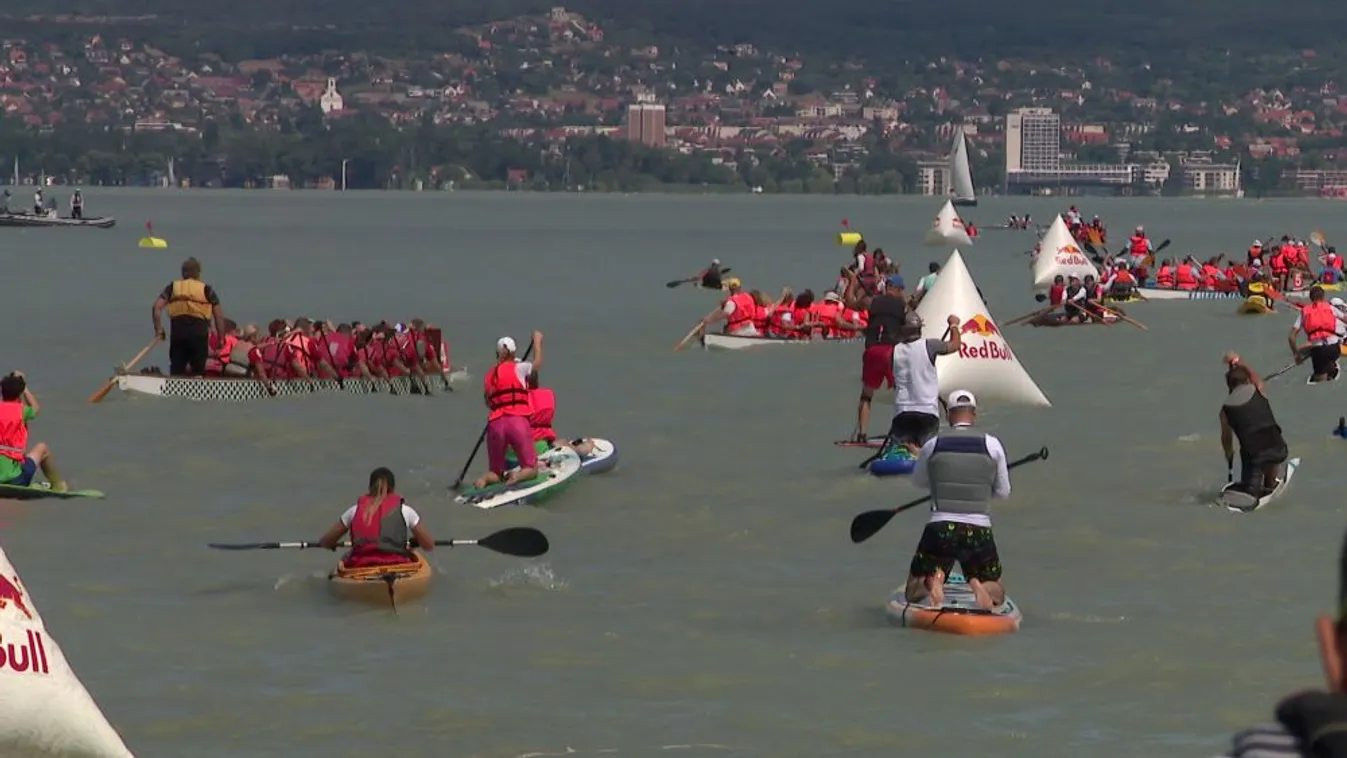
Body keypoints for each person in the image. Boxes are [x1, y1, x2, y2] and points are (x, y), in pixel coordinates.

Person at [905, 389, 1011, 611]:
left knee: (912, 592)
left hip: (941, 526)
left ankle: (934, 580)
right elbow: (1003, 492)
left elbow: (918, 482)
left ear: (948, 415)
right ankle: (976, 582)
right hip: (979, 528)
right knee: (998, 592)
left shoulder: (932, 445)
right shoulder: (992, 445)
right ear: (974, 414)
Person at [318, 468, 433, 568]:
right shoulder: (405, 510)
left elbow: (325, 542)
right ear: (393, 489)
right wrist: (415, 541)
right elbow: (428, 545)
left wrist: (332, 544)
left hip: (361, 566)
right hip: (396, 564)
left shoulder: (354, 511)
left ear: (369, 488)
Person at [473, 332, 544, 490]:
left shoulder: (489, 375)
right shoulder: (520, 367)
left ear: (498, 353)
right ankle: (517, 476)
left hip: (495, 424)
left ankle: (483, 480)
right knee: (531, 468)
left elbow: (488, 402)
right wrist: (537, 342)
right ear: (513, 353)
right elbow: (537, 364)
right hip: (517, 421)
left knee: (495, 473)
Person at [889, 312, 962, 453]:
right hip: (927, 411)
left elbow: (895, 383)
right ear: (919, 329)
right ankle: (919, 451)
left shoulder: (893, 351)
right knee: (927, 449)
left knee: (904, 446)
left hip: (902, 411)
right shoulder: (931, 345)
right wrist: (953, 325)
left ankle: (908, 446)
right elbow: (955, 345)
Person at [1218, 356, 1289, 498]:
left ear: (1228, 385)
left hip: (1255, 457)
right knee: (1269, 437)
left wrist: (1229, 454)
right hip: (1279, 449)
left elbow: (1227, 438)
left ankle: (1253, 488)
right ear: (1247, 380)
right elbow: (1254, 375)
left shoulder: (1225, 411)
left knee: (1248, 450)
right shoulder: (1259, 390)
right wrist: (1239, 362)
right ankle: (1270, 483)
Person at [853, 276, 908, 442]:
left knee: (866, 395)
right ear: (898, 289)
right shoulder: (902, 305)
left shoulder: (873, 302)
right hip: (890, 351)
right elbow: (906, 327)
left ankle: (862, 434)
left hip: (871, 350)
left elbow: (851, 302)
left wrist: (852, 281)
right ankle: (901, 434)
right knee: (901, 393)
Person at [152, 257, 228, 376]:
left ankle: (174, 388)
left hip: (178, 334)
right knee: (198, 370)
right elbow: (219, 316)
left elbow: (156, 308)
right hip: (199, 334)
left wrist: (158, 330)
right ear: (198, 273)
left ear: (183, 273)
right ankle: (197, 385)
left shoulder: (172, 287)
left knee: (177, 370)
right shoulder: (207, 289)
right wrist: (221, 338)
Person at [0, 372, 64, 491]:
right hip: (15, 480)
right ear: (20, 393)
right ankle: (58, 486)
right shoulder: (21, 411)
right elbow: (35, 408)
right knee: (42, 448)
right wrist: (25, 389)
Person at [1289, 285, 1341, 383]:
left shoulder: (1304, 311)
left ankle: (1324, 372)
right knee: (1331, 357)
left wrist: (1297, 355)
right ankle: (1332, 367)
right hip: (1334, 348)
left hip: (1318, 350)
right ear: (1323, 297)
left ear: (1310, 298)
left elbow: (1291, 337)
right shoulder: (1330, 308)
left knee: (1319, 379)